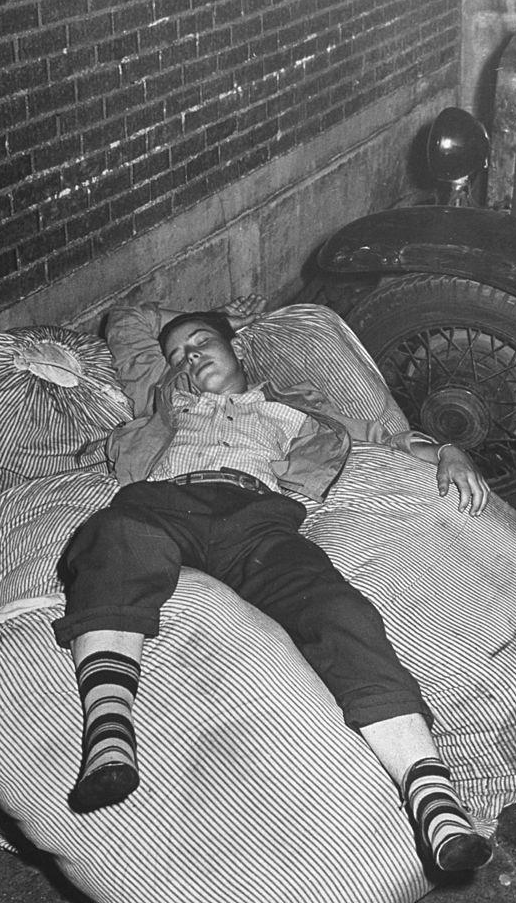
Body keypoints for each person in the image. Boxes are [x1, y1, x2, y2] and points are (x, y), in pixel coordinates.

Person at [52, 295, 493, 873]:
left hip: (257, 517)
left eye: (203, 343)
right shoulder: (163, 394)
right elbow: (125, 320)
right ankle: (109, 735)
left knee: (338, 608)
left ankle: (432, 799)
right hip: (165, 502)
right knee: (115, 539)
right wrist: (205, 323)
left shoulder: (293, 407)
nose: (190, 355)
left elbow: (386, 436)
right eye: (177, 350)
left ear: (235, 347)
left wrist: (450, 450)